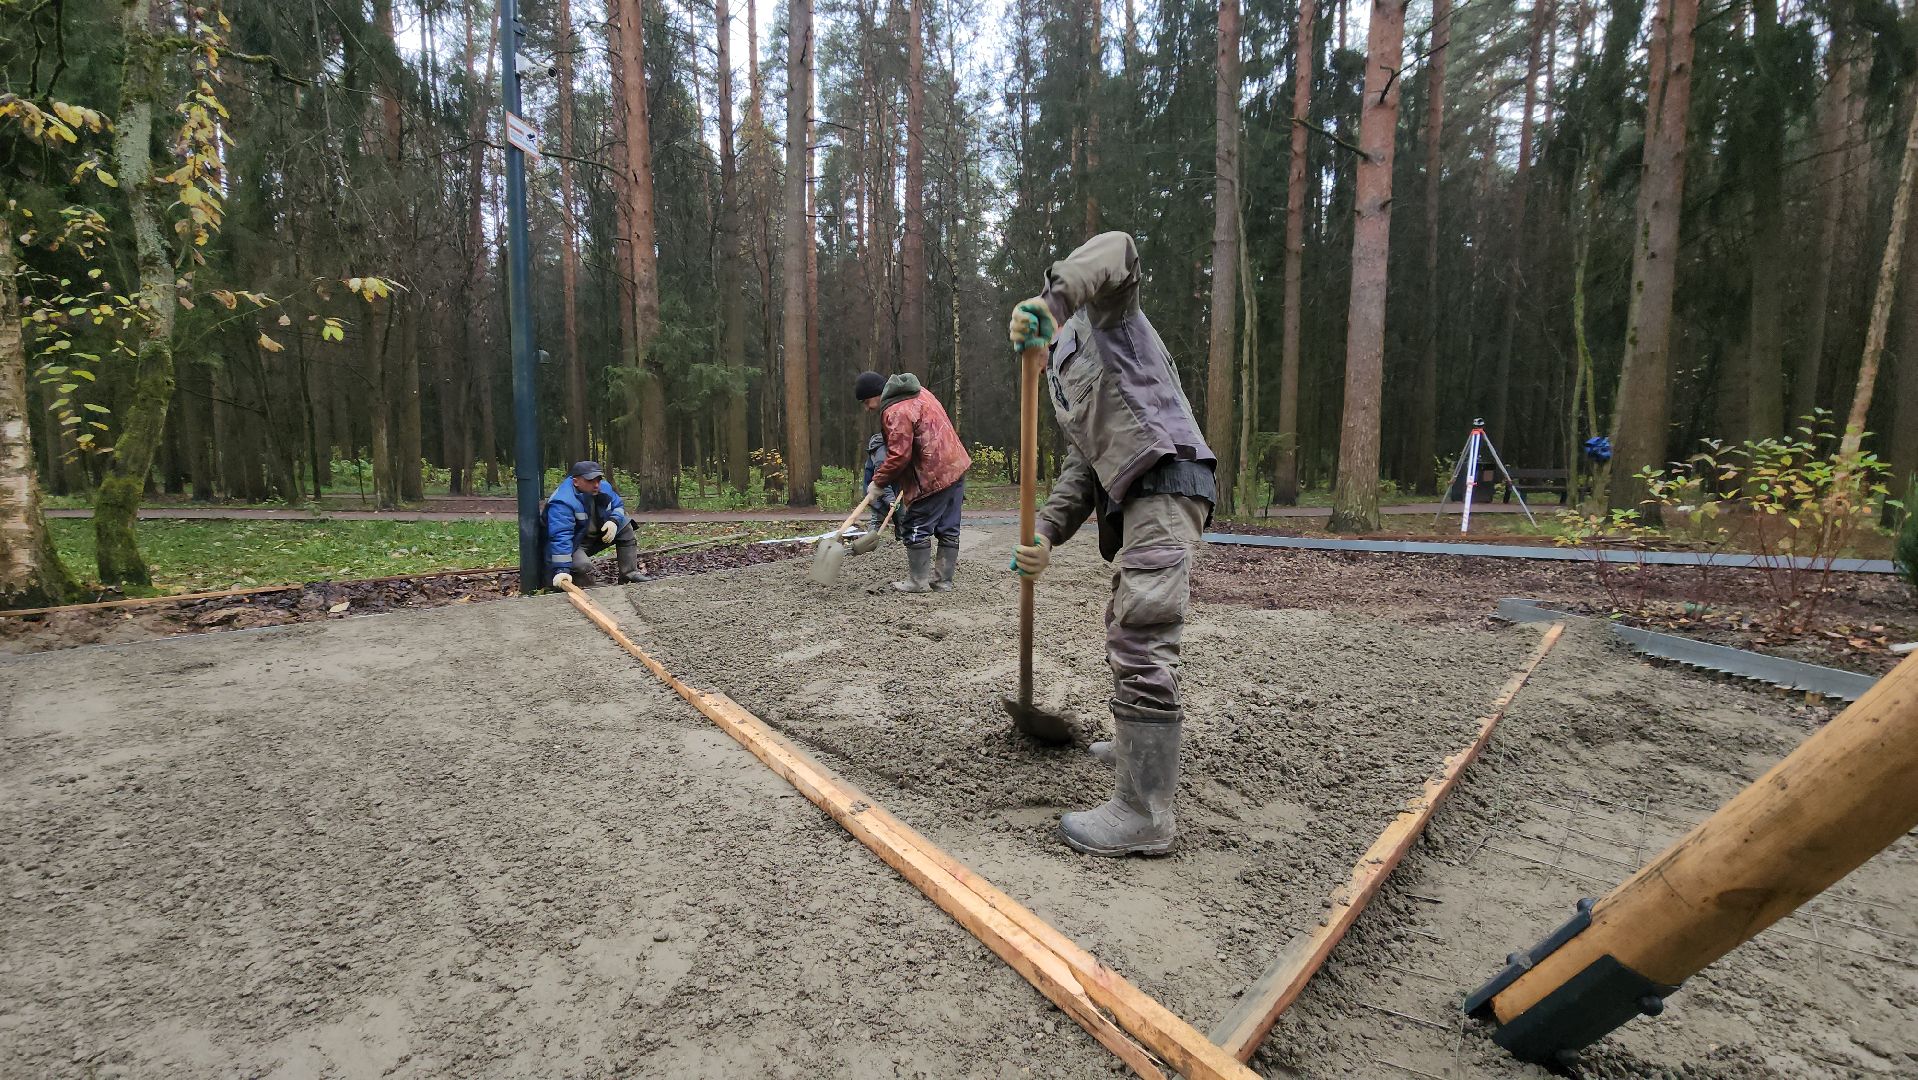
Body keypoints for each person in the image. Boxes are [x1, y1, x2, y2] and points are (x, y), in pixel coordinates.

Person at [1007, 231, 1216, 858]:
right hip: (1134, 494)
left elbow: (1119, 249)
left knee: (1142, 630)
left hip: (1164, 476)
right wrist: (1044, 534)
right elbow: (1084, 467)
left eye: (1035, 335)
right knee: (1128, 621)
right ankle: (1135, 753)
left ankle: (1144, 814)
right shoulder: (1061, 388)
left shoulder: (1107, 315)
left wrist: (1055, 298)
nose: (1032, 348)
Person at [856, 368, 971, 592]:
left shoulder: (896, 411)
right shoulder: (920, 393)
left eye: (866, 402)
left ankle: (918, 581)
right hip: (955, 464)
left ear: (875, 396)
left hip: (932, 474)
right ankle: (943, 581)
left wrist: (878, 483)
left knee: (916, 524)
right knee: (949, 526)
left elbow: (899, 455)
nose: (867, 409)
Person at [545, 461, 647, 588]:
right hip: (573, 544)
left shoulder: (603, 488)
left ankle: (629, 574)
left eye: (598, 480)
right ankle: (575, 580)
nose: (596, 485)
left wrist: (614, 521)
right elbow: (561, 537)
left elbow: (618, 505)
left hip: (593, 537)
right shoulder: (562, 502)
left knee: (625, 527)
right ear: (576, 481)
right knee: (583, 565)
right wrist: (562, 571)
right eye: (590, 481)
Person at [860, 431, 896, 533]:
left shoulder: (893, 446)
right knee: (877, 519)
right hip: (877, 491)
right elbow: (882, 478)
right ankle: (869, 542)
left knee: (901, 519)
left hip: (890, 490)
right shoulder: (882, 452)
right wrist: (891, 500)